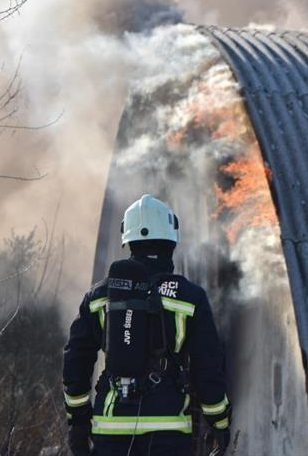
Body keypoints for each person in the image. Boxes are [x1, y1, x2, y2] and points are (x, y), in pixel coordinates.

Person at [63, 194, 232, 456]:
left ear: (128, 241)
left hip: (110, 429)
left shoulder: (98, 297)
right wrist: (219, 422)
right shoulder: (190, 297)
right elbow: (207, 366)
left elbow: (76, 359)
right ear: (171, 240)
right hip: (168, 431)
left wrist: (78, 421)